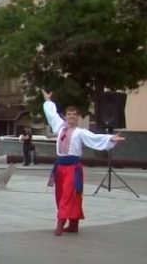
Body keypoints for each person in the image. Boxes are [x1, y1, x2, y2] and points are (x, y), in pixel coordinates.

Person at [42, 90, 122, 235]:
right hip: (60, 167)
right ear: (65, 116)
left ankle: (61, 223)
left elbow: (95, 138)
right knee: (61, 194)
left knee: (69, 194)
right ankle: (74, 224)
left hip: (73, 168)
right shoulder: (60, 127)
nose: (71, 116)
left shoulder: (80, 132)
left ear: (78, 117)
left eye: (74, 114)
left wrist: (110, 139)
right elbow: (52, 115)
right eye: (69, 114)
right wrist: (48, 102)